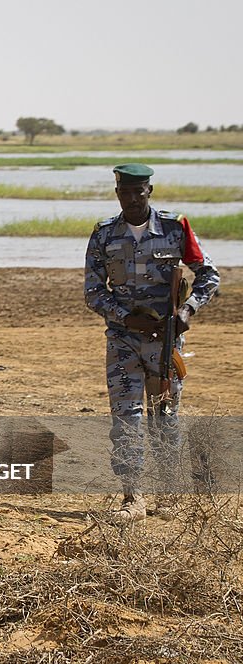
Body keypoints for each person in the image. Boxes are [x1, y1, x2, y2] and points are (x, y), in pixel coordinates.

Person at [85, 163, 219, 523]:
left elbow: (208, 274)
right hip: (123, 341)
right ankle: (133, 497)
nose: (131, 198)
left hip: (165, 344)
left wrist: (188, 311)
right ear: (117, 194)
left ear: (149, 192)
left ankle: (169, 492)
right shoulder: (103, 234)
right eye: (124, 193)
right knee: (125, 418)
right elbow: (93, 292)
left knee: (166, 417)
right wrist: (125, 317)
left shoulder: (176, 228)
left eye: (137, 192)